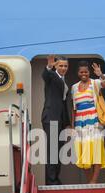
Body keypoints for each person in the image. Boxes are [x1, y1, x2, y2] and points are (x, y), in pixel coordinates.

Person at [71, 61, 105, 184]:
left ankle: (93, 181)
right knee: (83, 153)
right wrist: (72, 125)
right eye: (81, 72)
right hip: (80, 123)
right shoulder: (73, 87)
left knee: (96, 150)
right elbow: (74, 108)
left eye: (86, 72)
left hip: (93, 121)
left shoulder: (95, 83)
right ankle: (90, 182)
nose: (84, 74)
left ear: (89, 72)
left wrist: (101, 75)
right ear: (78, 73)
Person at [41, 55, 71, 185]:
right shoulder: (52, 76)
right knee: (52, 150)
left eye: (65, 66)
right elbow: (45, 76)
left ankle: (55, 179)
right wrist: (48, 67)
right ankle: (51, 181)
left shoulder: (63, 81)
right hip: (51, 117)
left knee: (58, 150)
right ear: (56, 66)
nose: (63, 68)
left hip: (60, 120)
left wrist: (67, 123)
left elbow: (64, 104)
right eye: (61, 66)